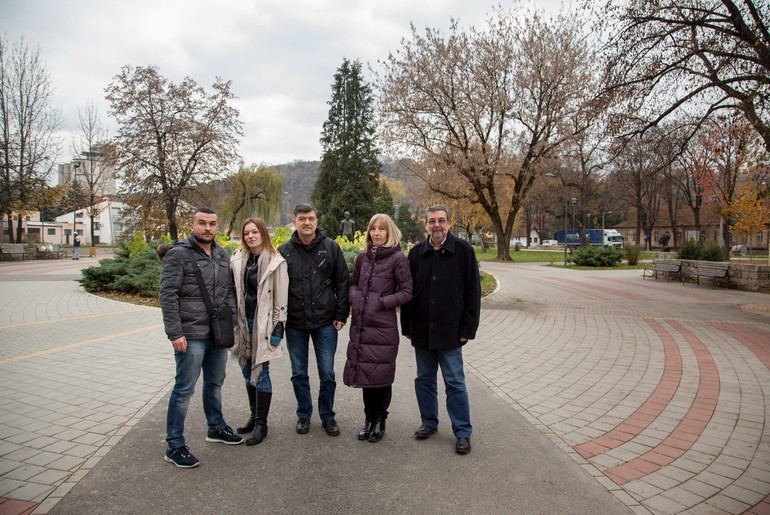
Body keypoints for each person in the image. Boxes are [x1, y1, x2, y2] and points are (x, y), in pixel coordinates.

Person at [159, 207, 243, 468]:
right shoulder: (178, 254)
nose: (208, 228)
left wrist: (229, 319)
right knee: (184, 390)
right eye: (202, 223)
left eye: (212, 224)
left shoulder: (220, 253)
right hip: (191, 334)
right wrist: (175, 332)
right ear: (192, 225)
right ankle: (174, 444)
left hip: (217, 333)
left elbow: (228, 289)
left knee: (215, 383)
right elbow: (168, 295)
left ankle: (216, 427)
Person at [400, 205, 481, 455]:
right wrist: (407, 326)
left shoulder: (464, 251)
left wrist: (468, 328)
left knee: (455, 382)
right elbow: (408, 294)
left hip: (451, 331)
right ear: (425, 224)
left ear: (448, 223)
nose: (437, 225)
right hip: (422, 330)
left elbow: (473, 293)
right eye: (432, 221)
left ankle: (462, 431)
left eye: (441, 221)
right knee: (424, 379)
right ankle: (429, 423)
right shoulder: (416, 253)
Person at [278, 203, 349, 436]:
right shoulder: (283, 251)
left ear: (316, 221)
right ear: (294, 222)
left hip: (325, 323)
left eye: (310, 218)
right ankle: (304, 414)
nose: (306, 222)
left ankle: (327, 415)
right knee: (299, 373)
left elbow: (342, 282)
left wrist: (341, 314)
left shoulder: (331, 248)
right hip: (295, 323)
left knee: (327, 373)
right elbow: (276, 287)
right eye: (301, 218)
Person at [344, 214, 412, 442]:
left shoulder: (397, 259)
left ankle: (380, 420)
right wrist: (355, 297)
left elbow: (407, 292)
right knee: (365, 374)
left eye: (381, 229)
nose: (376, 233)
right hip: (362, 326)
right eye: (373, 229)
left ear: (389, 232)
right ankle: (368, 419)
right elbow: (353, 283)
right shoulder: (362, 258)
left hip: (383, 327)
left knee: (381, 376)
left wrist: (382, 302)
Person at [230, 217, 288, 446]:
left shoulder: (276, 262)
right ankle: (254, 417)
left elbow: (281, 302)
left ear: (263, 233)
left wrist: (278, 328)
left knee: (261, 372)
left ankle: (262, 424)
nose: (251, 236)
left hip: (263, 326)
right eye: (247, 233)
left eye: (255, 232)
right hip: (243, 324)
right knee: (247, 371)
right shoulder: (237, 259)